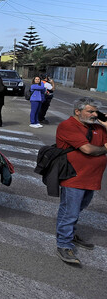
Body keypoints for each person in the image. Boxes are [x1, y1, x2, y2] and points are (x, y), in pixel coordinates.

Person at [54, 97, 107, 265]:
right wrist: (104, 149)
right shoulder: (67, 126)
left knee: (77, 209)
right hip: (74, 177)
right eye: (90, 111)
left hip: (92, 178)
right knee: (70, 211)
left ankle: (69, 234)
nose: (94, 114)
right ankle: (63, 243)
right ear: (78, 111)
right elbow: (88, 149)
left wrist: (105, 124)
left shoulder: (98, 127)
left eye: (96, 112)